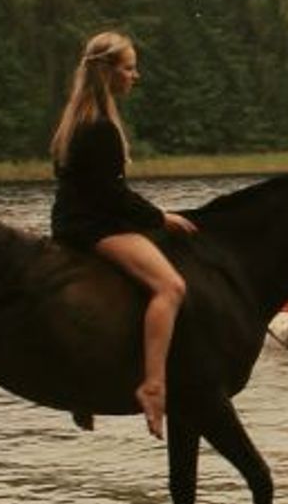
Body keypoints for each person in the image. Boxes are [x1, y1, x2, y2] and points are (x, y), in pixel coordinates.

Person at [49, 31, 196, 439]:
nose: (136, 75)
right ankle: (153, 385)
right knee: (171, 287)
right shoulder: (100, 128)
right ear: (110, 73)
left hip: (73, 221)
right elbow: (111, 194)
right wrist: (159, 218)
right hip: (93, 228)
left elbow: (93, 187)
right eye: (130, 68)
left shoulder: (76, 118)